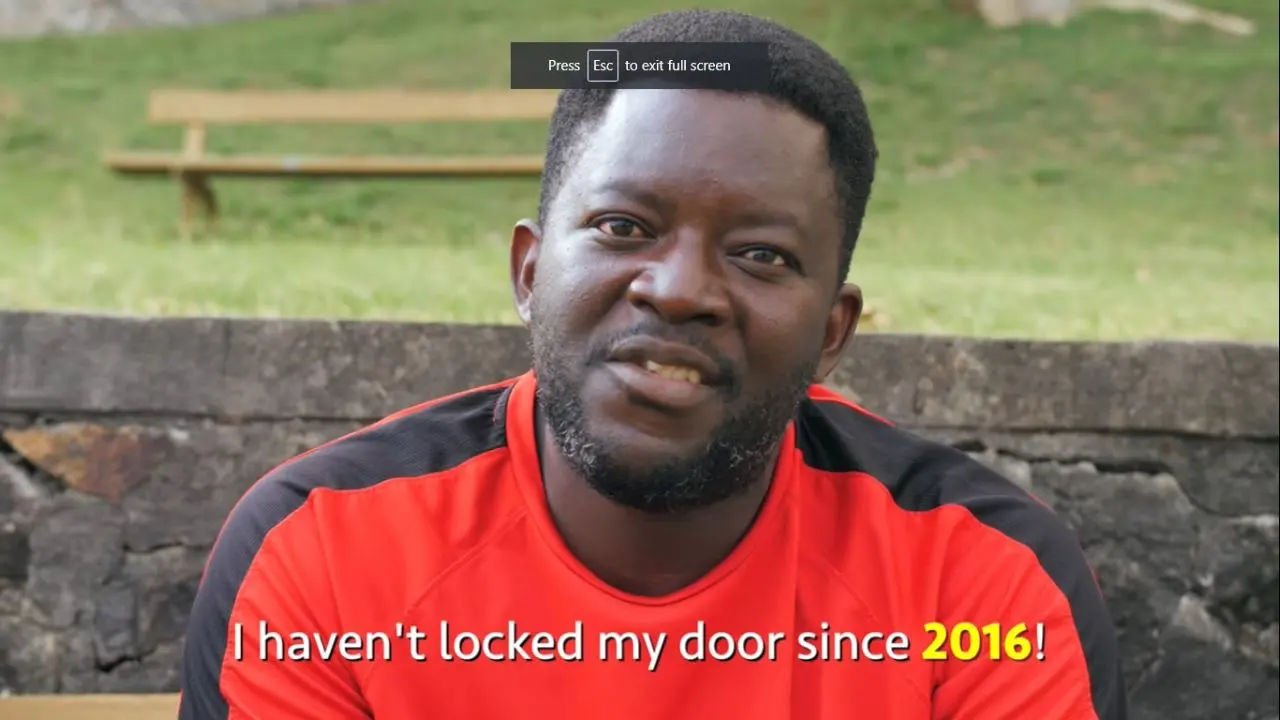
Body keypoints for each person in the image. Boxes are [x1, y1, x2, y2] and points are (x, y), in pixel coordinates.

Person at [176, 8, 1127, 719]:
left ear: (832, 334)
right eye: (624, 227)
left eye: (761, 254)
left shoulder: (978, 580)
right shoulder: (327, 554)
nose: (679, 291)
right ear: (530, 272)